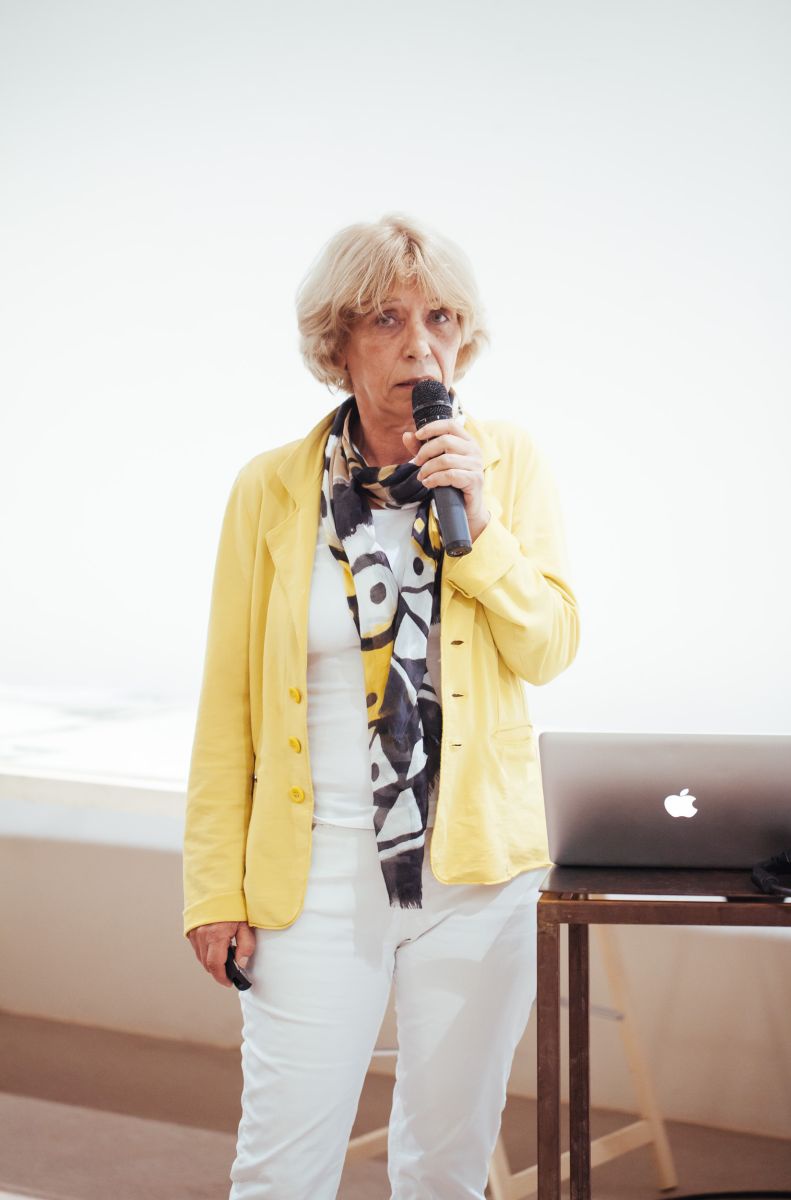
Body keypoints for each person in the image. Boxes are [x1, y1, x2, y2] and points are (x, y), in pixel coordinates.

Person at [182, 212, 580, 1200]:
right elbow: (227, 703)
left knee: (445, 1170)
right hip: (314, 869)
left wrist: (480, 525)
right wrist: (212, 888)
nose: (419, 346)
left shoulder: (506, 463)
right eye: (387, 320)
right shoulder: (270, 489)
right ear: (339, 342)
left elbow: (548, 646)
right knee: (280, 1169)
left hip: (476, 878)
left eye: (440, 318)